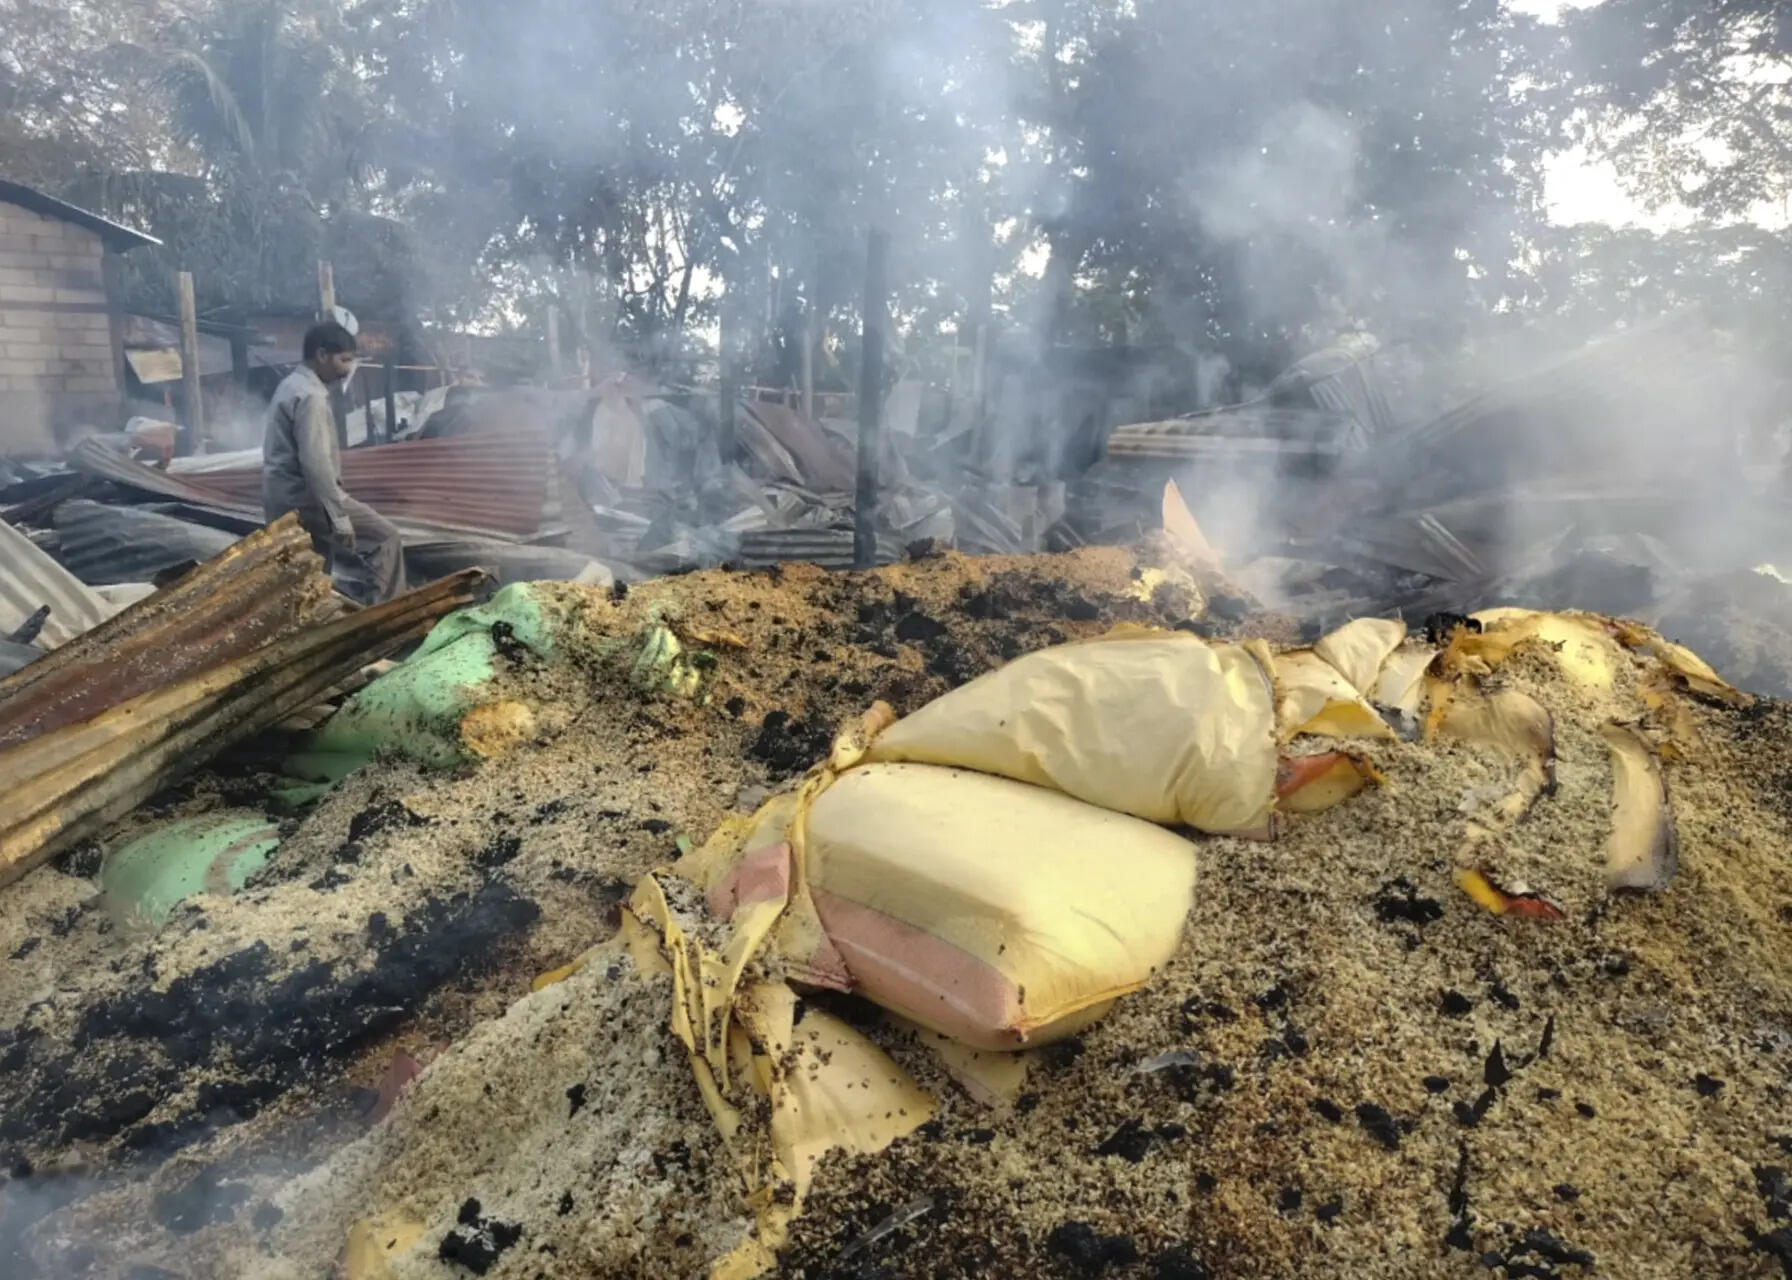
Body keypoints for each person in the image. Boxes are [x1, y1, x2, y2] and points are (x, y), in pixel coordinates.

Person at [263, 321, 406, 602]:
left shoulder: (290, 385)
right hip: (307, 499)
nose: (347, 369)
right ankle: (387, 615)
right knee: (385, 537)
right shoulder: (311, 397)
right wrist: (338, 517)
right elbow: (315, 463)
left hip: (282, 499)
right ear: (321, 355)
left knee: (310, 574)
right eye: (344, 360)